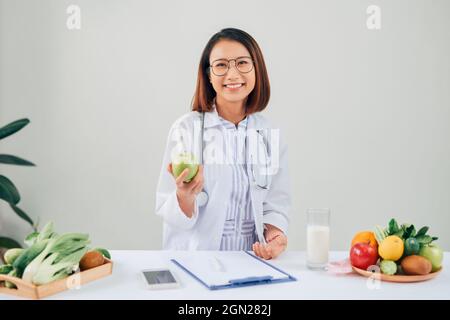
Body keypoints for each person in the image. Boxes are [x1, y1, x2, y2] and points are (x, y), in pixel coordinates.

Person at [155, 28, 291, 260]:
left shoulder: (268, 133)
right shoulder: (187, 129)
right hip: (199, 261)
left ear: (256, 69)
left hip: (253, 262)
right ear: (208, 75)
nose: (232, 74)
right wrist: (185, 196)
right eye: (221, 65)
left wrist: (276, 237)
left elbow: (274, 204)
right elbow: (170, 210)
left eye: (242, 63)